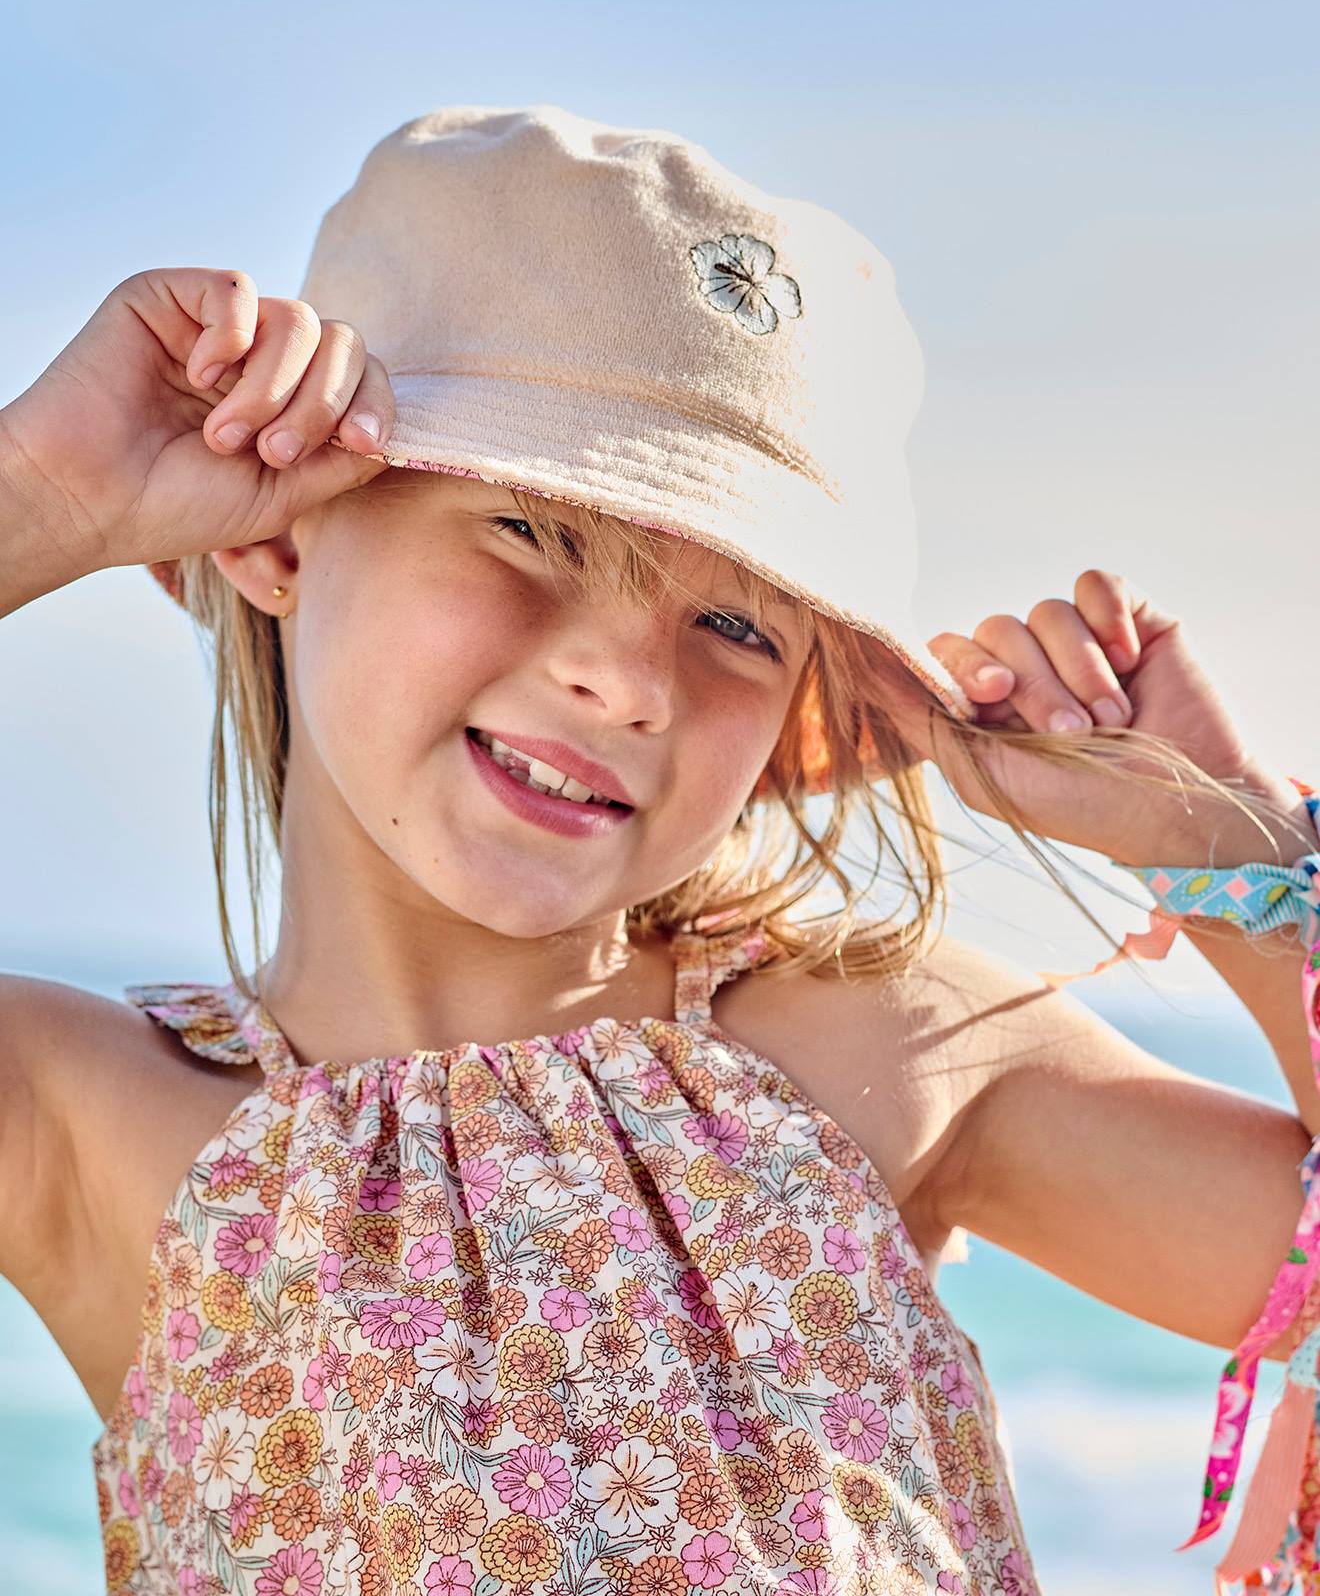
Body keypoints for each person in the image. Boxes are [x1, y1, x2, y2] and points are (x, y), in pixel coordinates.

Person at [1, 104, 1318, 1596]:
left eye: (740, 625)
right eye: (534, 534)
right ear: (282, 535)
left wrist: (1224, 838)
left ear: (802, 709)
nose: (631, 684)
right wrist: (40, 501)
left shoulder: (878, 1048)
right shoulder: (85, 1119)